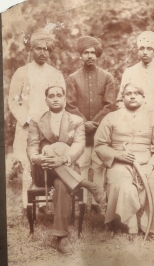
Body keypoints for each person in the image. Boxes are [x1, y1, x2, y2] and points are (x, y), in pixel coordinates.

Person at [27, 86, 106, 254]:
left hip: (67, 166)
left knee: (63, 185)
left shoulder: (76, 121)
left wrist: (63, 159)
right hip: (44, 170)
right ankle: (87, 185)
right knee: (48, 148)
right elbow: (32, 146)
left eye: (59, 95)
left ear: (64, 99)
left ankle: (61, 237)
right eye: (51, 96)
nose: (55, 98)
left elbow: (78, 146)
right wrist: (37, 158)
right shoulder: (36, 121)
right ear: (46, 100)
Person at [94, 82, 154, 239]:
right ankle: (128, 225)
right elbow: (100, 145)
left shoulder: (153, 119)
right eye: (128, 93)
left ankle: (151, 227)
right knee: (121, 181)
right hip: (120, 163)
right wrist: (118, 155)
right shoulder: (111, 117)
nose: (132, 96)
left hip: (147, 163)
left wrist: (151, 166)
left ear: (143, 98)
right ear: (122, 98)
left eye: (136, 93)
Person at [8, 28, 66, 210]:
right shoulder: (21, 72)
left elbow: (62, 101)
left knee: (48, 163)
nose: (43, 52)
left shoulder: (56, 74)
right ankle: (28, 204)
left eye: (47, 49)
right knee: (28, 164)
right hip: (27, 126)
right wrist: (25, 120)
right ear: (31, 50)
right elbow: (12, 100)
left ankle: (46, 204)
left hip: (49, 127)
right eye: (39, 48)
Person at [66, 36, 115, 209]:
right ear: (80, 55)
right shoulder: (72, 78)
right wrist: (83, 124)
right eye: (86, 52)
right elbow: (70, 105)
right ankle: (83, 203)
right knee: (82, 164)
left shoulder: (107, 77)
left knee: (99, 165)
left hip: (101, 131)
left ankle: (98, 203)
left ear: (97, 55)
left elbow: (110, 105)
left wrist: (94, 123)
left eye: (93, 53)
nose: (90, 56)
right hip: (81, 130)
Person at [116, 31, 154, 122]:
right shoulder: (129, 72)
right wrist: (129, 117)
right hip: (133, 123)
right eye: (142, 48)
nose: (145, 52)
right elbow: (120, 101)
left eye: (149, 49)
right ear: (138, 51)